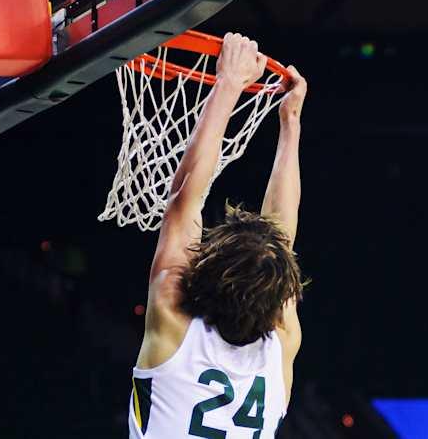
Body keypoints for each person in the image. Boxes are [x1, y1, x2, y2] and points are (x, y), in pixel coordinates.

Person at [128, 33, 307, 438]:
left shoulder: (175, 320)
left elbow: (183, 199)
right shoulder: (280, 345)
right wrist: (288, 122)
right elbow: (280, 242)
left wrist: (230, 84)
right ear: (281, 302)